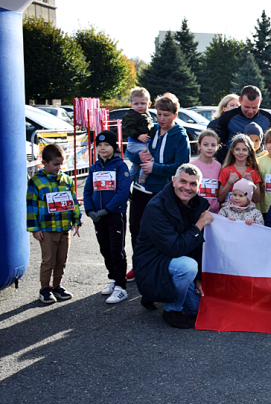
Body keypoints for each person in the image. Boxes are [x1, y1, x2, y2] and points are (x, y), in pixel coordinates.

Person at [133, 164, 213, 328]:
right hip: (152, 263)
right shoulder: (156, 207)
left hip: (174, 259)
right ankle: (171, 310)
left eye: (193, 184)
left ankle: (162, 292)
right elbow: (175, 248)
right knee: (188, 266)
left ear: (199, 186)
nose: (187, 187)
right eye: (183, 181)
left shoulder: (198, 205)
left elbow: (197, 245)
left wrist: (198, 278)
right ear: (174, 181)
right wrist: (199, 225)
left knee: (198, 311)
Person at [127, 93, 190, 282]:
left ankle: (160, 267)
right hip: (141, 188)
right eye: (159, 114)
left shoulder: (180, 136)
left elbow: (182, 166)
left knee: (162, 232)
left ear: (175, 115)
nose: (162, 119)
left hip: (163, 192)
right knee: (136, 228)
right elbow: (131, 152)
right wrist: (139, 158)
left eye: (166, 115)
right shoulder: (151, 130)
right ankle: (138, 265)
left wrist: (156, 168)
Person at [27, 143, 82, 304]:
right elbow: (31, 206)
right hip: (47, 229)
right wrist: (34, 229)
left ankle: (57, 285)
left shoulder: (66, 180)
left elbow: (73, 201)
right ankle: (45, 288)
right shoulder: (36, 182)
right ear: (44, 163)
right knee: (48, 260)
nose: (59, 167)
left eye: (61, 164)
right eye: (55, 164)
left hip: (64, 227)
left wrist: (76, 220)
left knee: (61, 259)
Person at [83, 130, 131, 304]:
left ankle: (121, 286)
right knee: (104, 249)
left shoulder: (120, 166)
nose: (102, 148)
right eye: (100, 145)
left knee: (116, 250)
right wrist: (89, 210)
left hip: (114, 215)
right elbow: (87, 191)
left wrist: (108, 210)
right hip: (98, 217)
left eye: (107, 145)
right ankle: (113, 278)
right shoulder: (94, 167)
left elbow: (122, 192)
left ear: (114, 147)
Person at [215, 85, 271, 163]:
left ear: (260, 101)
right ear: (240, 100)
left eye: (254, 108)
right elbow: (219, 144)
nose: (250, 111)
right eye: (246, 107)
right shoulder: (227, 117)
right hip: (232, 164)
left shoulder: (268, 118)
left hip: (260, 165)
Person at [217, 135, 262, 205]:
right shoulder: (225, 171)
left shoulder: (253, 172)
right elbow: (220, 198)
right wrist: (230, 182)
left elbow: (257, 199)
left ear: (249, 152)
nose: (241, 152)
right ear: (232, 151)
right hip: (229, 212)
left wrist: (251, 182)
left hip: (247, 213)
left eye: (244, 150)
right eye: (237, 149)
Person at [124, 87, 154, 187]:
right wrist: (138, 136)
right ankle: (141, 180)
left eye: (143, 103)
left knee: (136, 165)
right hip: (136, 143)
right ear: (131, 104)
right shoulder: (131, 115)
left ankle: (128, 182)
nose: (140, 106)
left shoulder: (147, 115)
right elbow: (129, 129)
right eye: (136, 104)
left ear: (149, 104)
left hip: (143, 143)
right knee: (149, 159)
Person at [190, 130, 222, 213]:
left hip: (214, 213)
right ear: (199, 146)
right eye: (205, 145)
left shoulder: (219, 166)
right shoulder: (192, 165)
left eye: (213, 145)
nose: (210, 148)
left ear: (217, 146)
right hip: (195, 211)